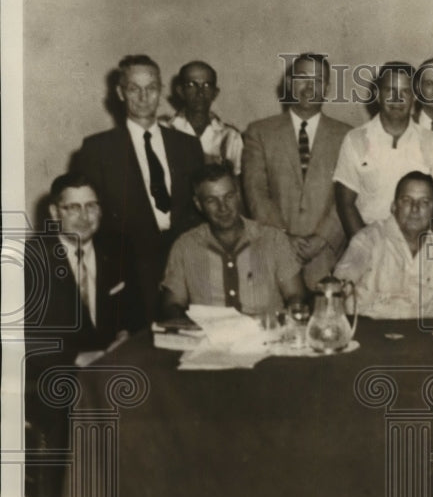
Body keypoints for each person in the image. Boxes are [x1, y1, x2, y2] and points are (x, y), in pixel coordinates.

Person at [24, 172, 146, 497]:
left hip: (110, 372)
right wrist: (78, 358)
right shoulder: (31, 259)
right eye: (72, 207)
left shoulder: (117, 248)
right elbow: (26, 339)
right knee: (61, 424)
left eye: (91, 206)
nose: (83, 216)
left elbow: (137, 315)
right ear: (54, 212)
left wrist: (125, 335)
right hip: (51, 375)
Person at [73, 54, 204, 322]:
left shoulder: (188, 146)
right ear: (121, 93)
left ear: (161, 91)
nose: (144, 97)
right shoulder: (97, 149)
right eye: (134, 89)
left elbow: (198, 209)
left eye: (151, 88)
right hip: (129, 273)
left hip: (185, 268)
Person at [242, 53, 350, 288]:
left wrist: (322, 238)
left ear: (327, 88)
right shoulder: (259, 132)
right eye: (302, 78)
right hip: (274, 253)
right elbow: (256, 193)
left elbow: (348, 197)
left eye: (318, 80)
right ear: (289, 83)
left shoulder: (347, 136)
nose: (309, 86)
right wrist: (282, 238)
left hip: (328, 257)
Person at [161, 163, 305, 318]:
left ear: (238, 195)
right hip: (210, 333)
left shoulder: (273, 239)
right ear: (198, 204)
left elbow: (295, 295)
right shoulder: (185, 246)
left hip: (265, 331)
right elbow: (172, 304)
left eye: (228, 197)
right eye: (211, 200)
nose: (223, 208)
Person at [334, 62, 433, 238]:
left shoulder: (432, 142)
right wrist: (368, 247)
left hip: (416, 243)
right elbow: (346, 204)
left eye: (405, 92)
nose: (397, 99)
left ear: (414, 97)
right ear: (378, 95)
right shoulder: (355, 139)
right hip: (368, 242)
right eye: (390, 91)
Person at [333, 171, 433, 319]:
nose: (415, 208)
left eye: (424, 202)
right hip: (370, 329)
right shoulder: (368, 240)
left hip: (421, 332)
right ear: (394, 207)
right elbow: (340, 284)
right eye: (406, 200)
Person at [160, 60, 244, 174]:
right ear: (181, 91)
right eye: (191, 85)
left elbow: (237, 179)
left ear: (215, 93)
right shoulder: (164, 129)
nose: (200, 92)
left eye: (207, 85)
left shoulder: (230, 136)